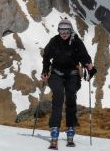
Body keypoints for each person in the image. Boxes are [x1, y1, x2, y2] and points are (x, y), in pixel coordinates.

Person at [41, 18, 96, 149]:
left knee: (71, 96)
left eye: (66, 30)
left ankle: (70, 128)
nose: (64, 33)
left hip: (72, 74)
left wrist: (88, 65)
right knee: (58, 96)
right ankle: (54, 129)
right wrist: (44, 71)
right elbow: (46, 56)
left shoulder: (76, 41)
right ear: (58, 31)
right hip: (56, 73)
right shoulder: (54, 41)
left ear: (70, 30)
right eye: (61, 30)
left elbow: (84, 56)